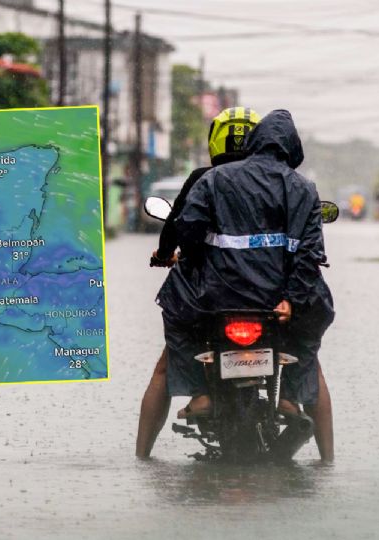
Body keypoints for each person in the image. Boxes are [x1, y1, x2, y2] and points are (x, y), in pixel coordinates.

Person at [141, 109, 335, 461]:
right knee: (310, 338)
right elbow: (310, 253)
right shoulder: (304, 188)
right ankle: (303, 420)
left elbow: (186, 229)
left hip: (216, 301)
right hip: (278, 306)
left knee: (175, 321)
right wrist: (291, 300)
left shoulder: (213, 179)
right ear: (292, 148)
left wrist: (194, 259)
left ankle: (195, 399)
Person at [135, 107, 261, 458]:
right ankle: (296, 406)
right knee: (304, 358)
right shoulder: (274, 181)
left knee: (165, 366)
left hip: (206, 295)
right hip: (267, 293)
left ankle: (143, 457)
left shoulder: (204, 179)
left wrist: (165, 253)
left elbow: (177, 226)